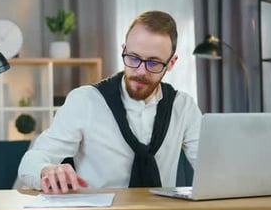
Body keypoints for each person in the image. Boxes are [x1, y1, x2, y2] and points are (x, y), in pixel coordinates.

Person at [17, 10, 202, 193]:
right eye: (133, 58)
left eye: (153, 63)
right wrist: (46, 170)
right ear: (123, 50)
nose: (140, 71)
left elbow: (213, 167)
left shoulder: (183, 107)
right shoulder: (84, 101)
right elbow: (30, 162)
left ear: (171, 63)